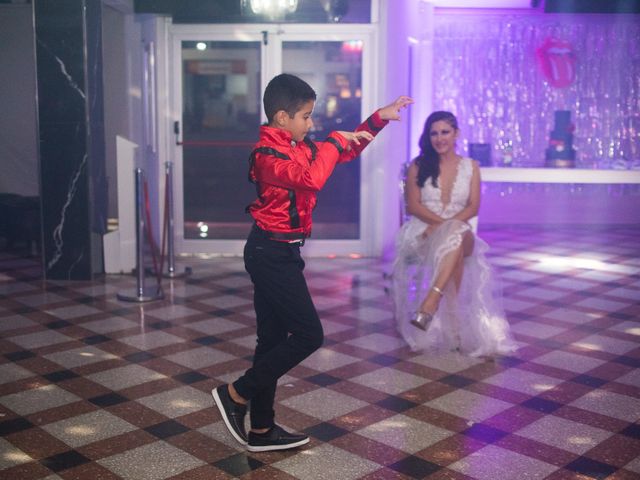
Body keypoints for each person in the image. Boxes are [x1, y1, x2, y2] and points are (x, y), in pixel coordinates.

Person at [212, 73, 413, 453]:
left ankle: (262, 430)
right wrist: (335, 141)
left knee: (270, 342)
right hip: (268, 254)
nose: (311, 124)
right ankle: (235, 394)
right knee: (309, 335)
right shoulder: (267, 155)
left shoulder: (298, 145)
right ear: (282, 116)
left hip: (283, 252)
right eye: (306, 116)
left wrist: (379, 119)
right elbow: (311, 179)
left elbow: (347, 151)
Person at [391, 111, 517, 357]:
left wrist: (447, 227)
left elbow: (473, 207)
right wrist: (442, 226)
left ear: (456, 134)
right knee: (455, 247)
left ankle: (430, 302)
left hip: (459, 230)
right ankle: (454, 328)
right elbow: (413, 206)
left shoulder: (471, 167)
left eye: (445, 132)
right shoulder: (419, 165)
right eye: (434, 133)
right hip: (423, 232)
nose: (440, 138)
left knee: (456, 234)